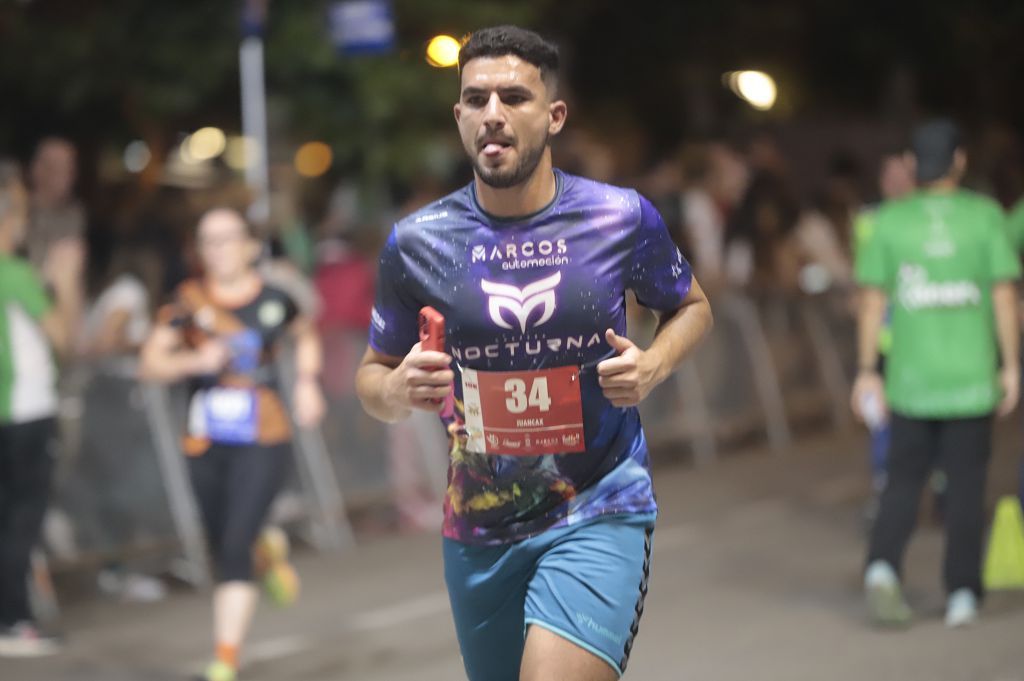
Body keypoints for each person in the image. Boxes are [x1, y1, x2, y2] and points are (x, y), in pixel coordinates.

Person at [355, 26, 713, 681]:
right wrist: (399, 388)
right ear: (459, 116)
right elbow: (371, 380)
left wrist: (653, 364)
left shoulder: (618, 217)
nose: (493, 113)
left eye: (514, 96)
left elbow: (693, 306)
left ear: (553, 116)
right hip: (479, 527)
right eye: (477, 98)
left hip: (596, 504)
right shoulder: (416, 243)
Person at [139, 208, 325, 681]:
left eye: (228, 239)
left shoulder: (273, 297)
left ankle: (225, 657)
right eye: (209, 241)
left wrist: (306, 382)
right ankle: (268, 549)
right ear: (199, 251)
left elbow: (306, 336)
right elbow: (150, 363)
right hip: (205, 440)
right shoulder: (186, 301)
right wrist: (193, 361)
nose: (220, 249)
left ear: (247, 244)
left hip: (264, 434)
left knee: (234, 545)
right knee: (223, 540)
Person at [851, 119, 1021, 629]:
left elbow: (870, 302)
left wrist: (866, 371)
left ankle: (882, 567)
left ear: (911, 166)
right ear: (960, 161)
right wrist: (1011, 365)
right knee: (966, 488)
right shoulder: (985, 217)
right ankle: (963, 594)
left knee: (903, 481)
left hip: (910, 381)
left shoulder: (889, 223)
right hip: (971, 381)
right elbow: (1003, 295)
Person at [0, 160, 82, 656]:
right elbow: (64, 338)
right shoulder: (15, 274)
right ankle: (12, 620)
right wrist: (65, 279)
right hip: (24, 413)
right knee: (20, 521)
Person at [851, 150, 916, 521]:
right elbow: (864, 278)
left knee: (924, 422)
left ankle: (937, 489)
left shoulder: (928, 220)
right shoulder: (868, 220)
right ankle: (885, 496)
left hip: (921, 344)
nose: (895, 182)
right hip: (881, 344)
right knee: (882, 423)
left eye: (902, 174)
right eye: (888, 174)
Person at [26, 137, 86, 270]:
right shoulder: (17, 213)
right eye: (57, 165)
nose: (67, 174)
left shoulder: (74, 214)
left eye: (70, 166)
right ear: (37, 169)